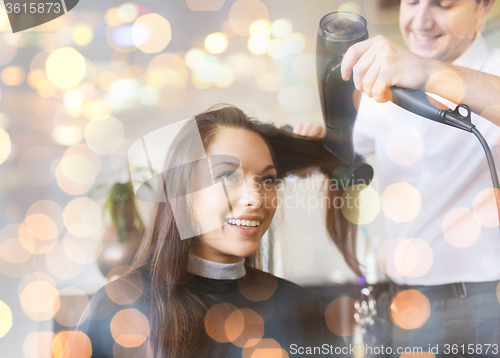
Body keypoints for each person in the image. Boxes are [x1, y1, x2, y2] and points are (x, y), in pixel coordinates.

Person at [62, 105, 361, 358]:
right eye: (226, 175)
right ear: (183, 191)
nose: (255, 197)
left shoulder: (300, 307)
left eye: (267, 180)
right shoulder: (118, 306)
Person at [297, 0, 500, 356]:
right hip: (408, 301)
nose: (421, 19)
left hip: (491, 298)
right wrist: (310, 148)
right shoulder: (381, 87)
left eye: (442, 4)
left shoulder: (493, 70)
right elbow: (339, 155)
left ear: (483, 7)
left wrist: (426, 71)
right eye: (412, 2)